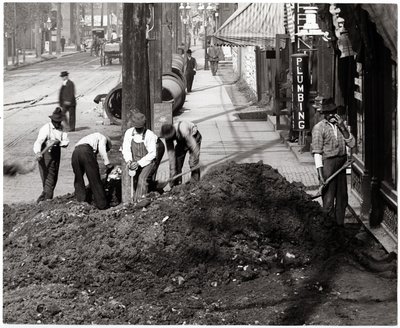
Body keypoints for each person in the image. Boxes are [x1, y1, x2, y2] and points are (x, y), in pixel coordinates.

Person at [311, 98, 355, 227]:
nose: (331, 115)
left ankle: (339, 227)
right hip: (328, 165)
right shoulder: (319, 128)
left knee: (342, 198)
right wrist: (320, 174)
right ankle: (327, 228)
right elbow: (317, 152)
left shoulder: (342, 126)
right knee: (329, 199)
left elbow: (351, 143)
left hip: (341, 163)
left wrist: (342, 127)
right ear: (324, 114)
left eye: (333, 112)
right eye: (328, 113)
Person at [122, 112, 165, 202]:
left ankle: (140, 202)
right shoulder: (129, 133)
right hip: (136, 158)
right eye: (136, 128)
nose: (138, 130)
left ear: (144, 126)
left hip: (151, 155)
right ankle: (132, 200)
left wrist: (138, 163)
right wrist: (129, 161)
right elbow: (126, 149)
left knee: (143, 178)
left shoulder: (149, 135)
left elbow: (152, 154)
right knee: (132, 176)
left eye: (140, 128)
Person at [33, 107, 69, 203]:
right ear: (52, 120)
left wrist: (58, 142)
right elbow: (38, 142)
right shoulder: (46, 128)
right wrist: (37, 152)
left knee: (53, 180)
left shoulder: (62, 128)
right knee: (49, 180)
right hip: (45, 156)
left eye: (59, 121)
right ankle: (46, 201)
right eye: (55, 121)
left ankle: (42, 201)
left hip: (56, 154)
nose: (57, 124)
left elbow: (66, 142)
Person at [71, 133, 114, 210]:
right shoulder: (102, 137)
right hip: (86, 152)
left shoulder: (89, 138)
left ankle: (81, 202)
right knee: (94, 179)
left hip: (75, 153)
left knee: (78, 179)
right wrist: (107, 163)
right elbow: (102, 149)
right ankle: (102, 205)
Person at [161, 120, 202, 186]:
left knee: (193, 163)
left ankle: (195, 183)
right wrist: (173, 170)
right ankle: (176, 186)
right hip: (181, 141)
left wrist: (196, 158)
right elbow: (171, 155)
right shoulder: (167, 136)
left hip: (194, 137)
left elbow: (194, 146)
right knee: (177, 163)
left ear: (174, 132)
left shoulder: (183, 128)